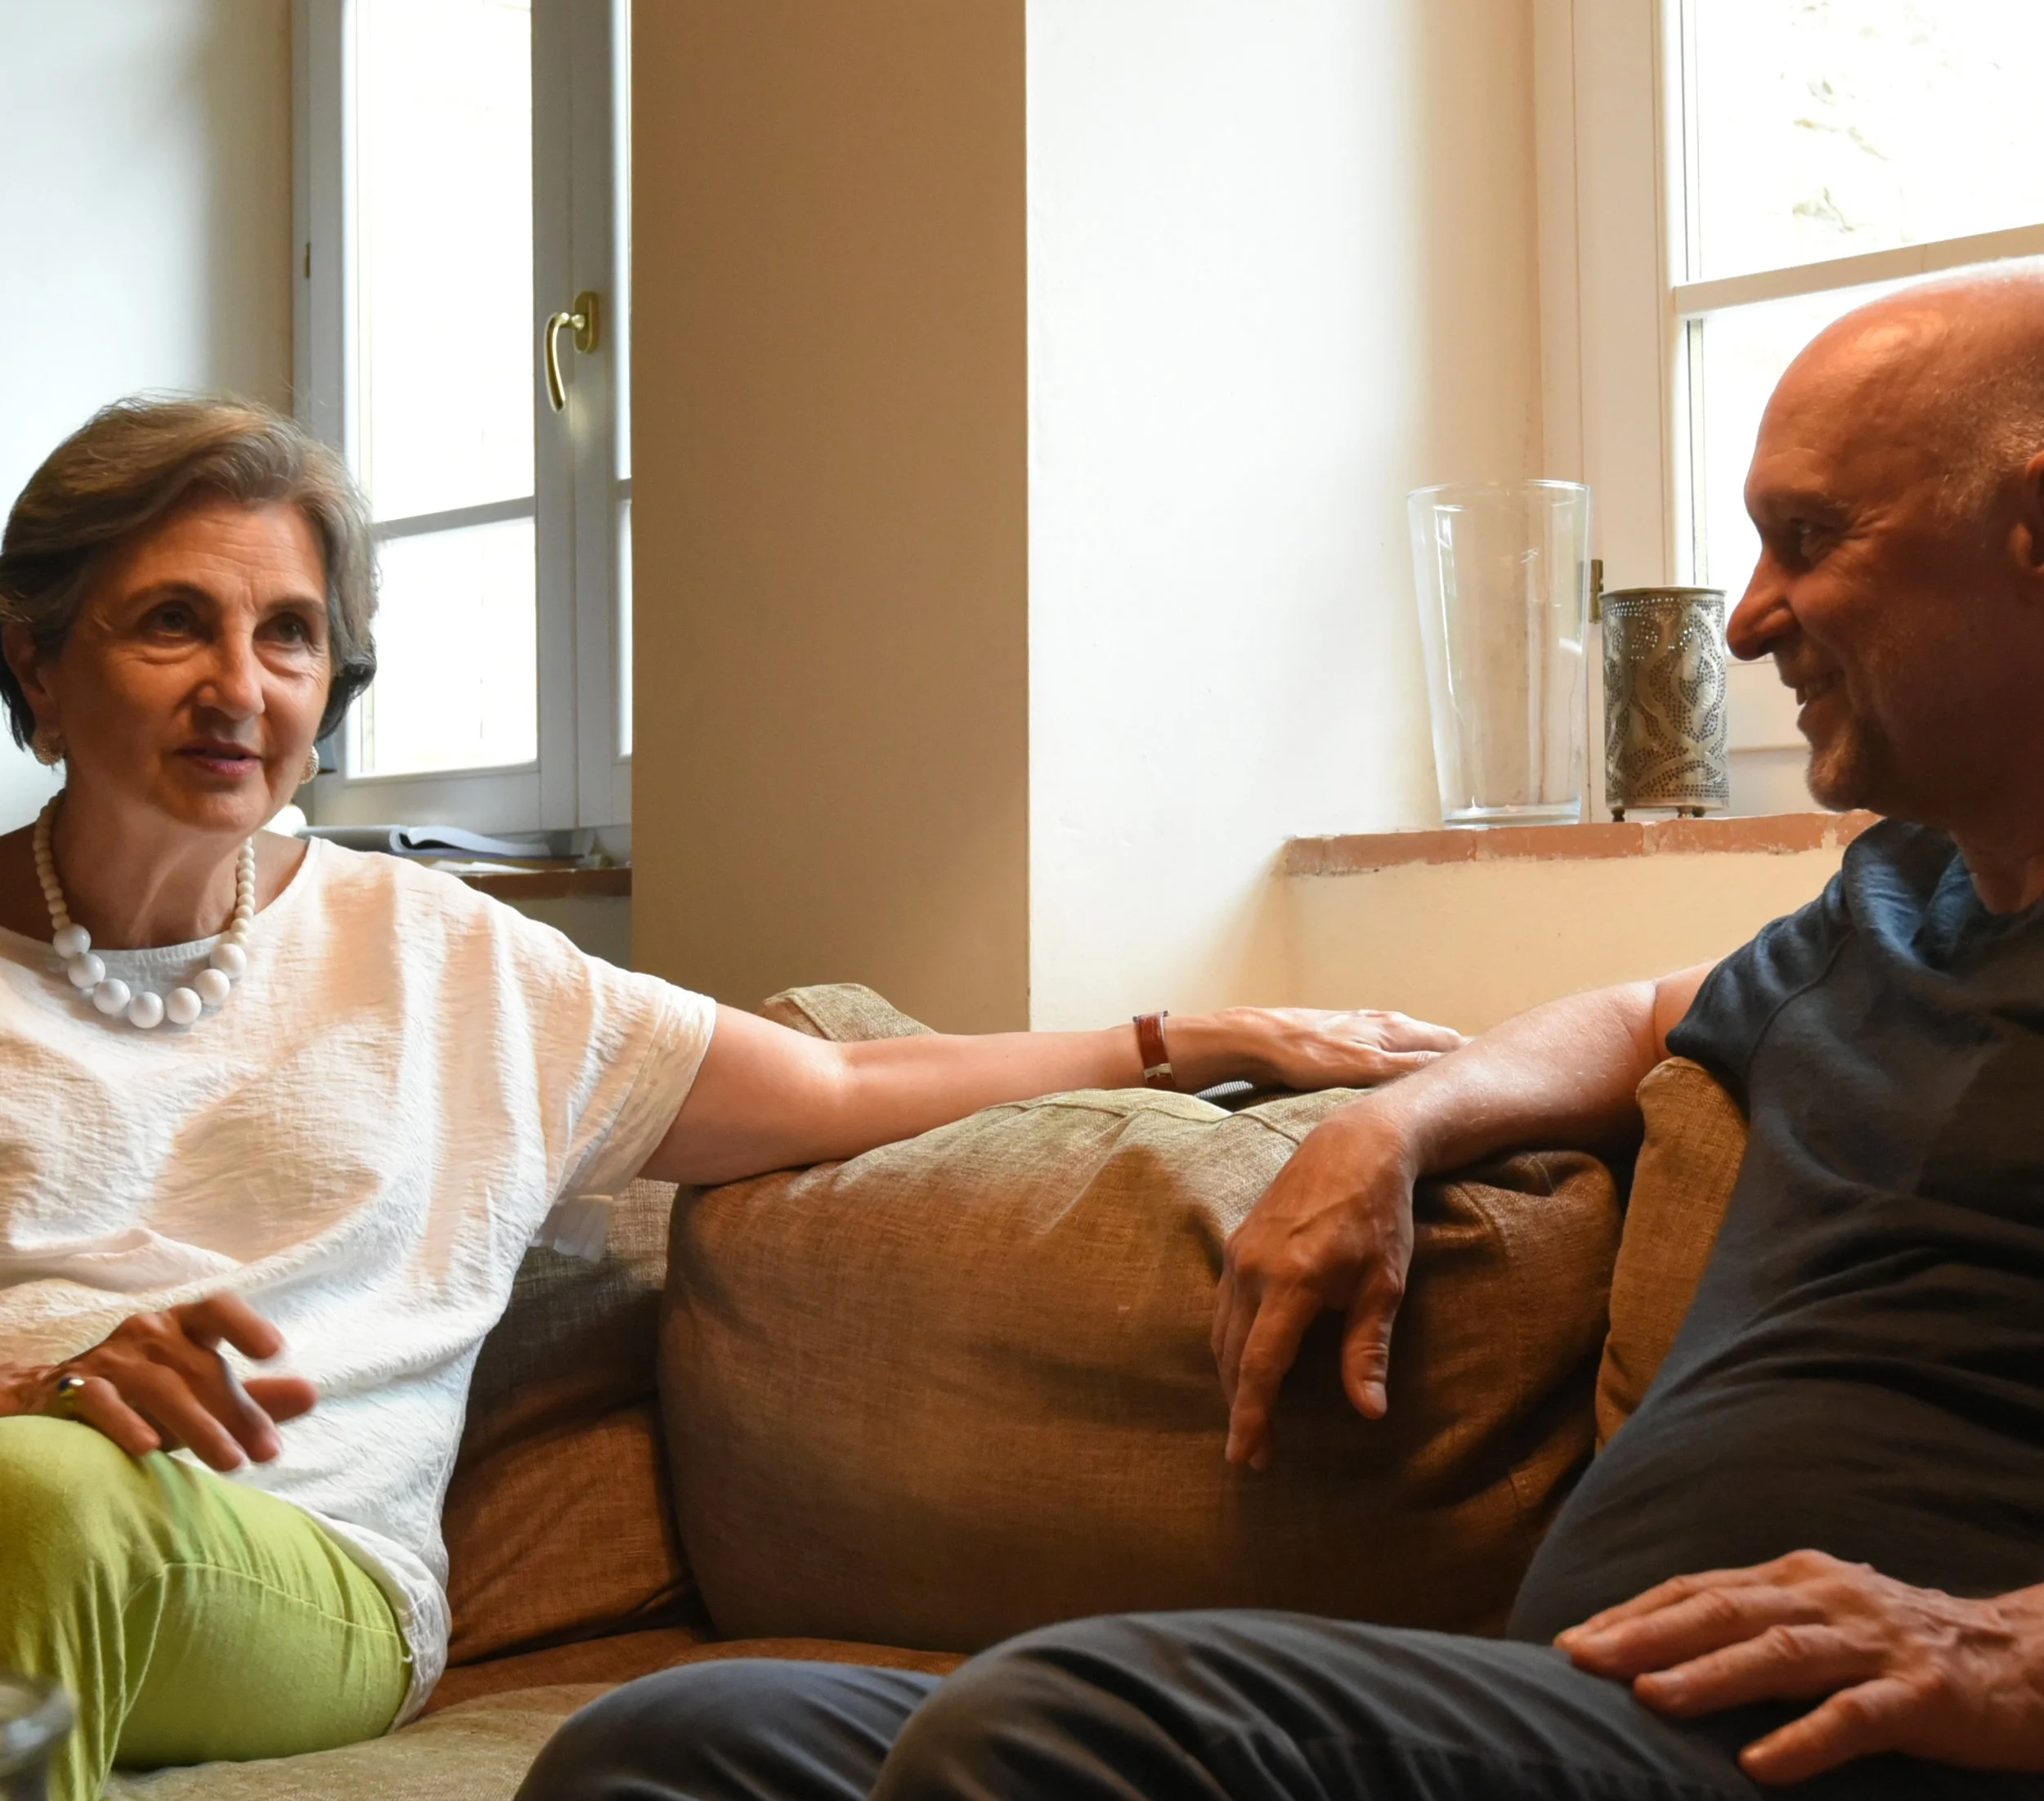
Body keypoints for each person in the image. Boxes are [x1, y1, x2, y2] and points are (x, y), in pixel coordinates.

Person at [516, 267, 2044, 1801]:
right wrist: (1392, 1125)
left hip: (1845, 1751)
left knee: (1070, 1719)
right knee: (686, 1746)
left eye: (1812, 537)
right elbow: (1642, 1017)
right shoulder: (1897, 906)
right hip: (1574, 1710)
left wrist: (2003, 1652)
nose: (1755, 613)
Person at [0, 394, 1465, 1801]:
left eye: (291, 636)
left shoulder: (442, 959)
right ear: (40, 662)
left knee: (50, 1507)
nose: (240, 687)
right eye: (174, 621)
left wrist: (1190, 1031)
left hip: (293, 1558)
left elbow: (832, 1081)